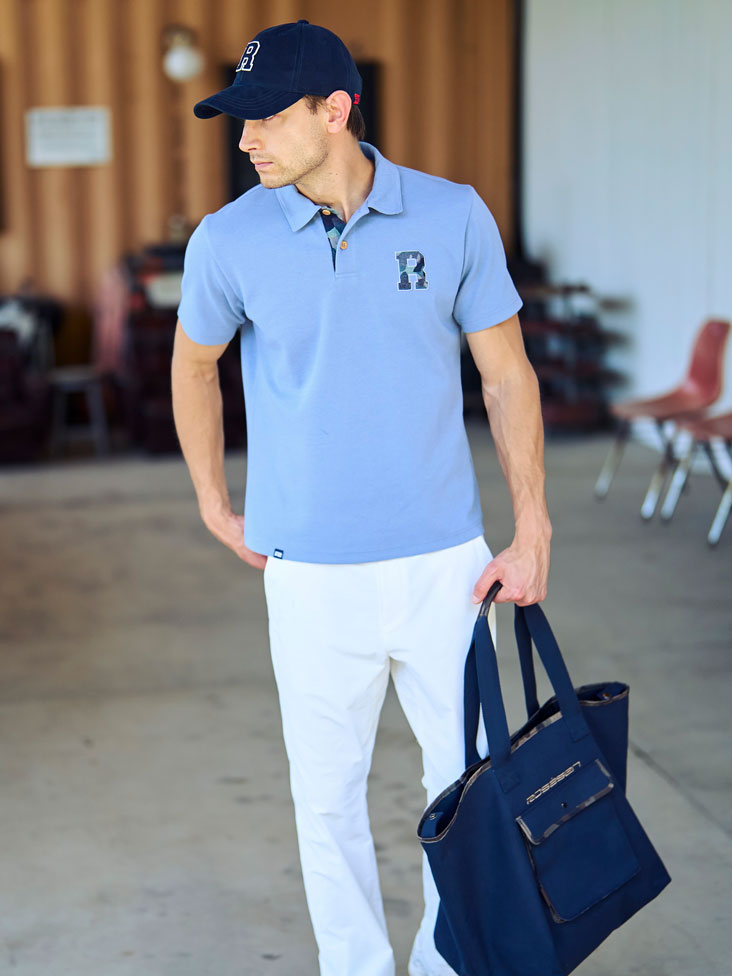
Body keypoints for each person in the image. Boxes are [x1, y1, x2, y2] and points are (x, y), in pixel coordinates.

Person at [171, 18, 551, 976]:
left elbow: (507, 376)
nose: (245, 139)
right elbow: (194, 365)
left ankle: (445, 963)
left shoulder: (453, 216)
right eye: (240, 120)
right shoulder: (226, 240)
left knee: (467, 792)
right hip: (309, 575)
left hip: (448, 569)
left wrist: (533, 526)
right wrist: (213, 500)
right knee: (327, 800)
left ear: (335, 111)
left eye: (266, 117)